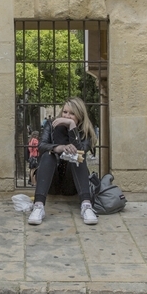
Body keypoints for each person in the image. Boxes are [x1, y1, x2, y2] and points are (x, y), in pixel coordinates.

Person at [27, 97, 100, 226]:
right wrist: (58, 148)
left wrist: (72, 127)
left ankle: (86, 206)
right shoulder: (51, 124)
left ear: (80, 115)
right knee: (48, 155)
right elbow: (41, 146)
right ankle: (38, 206)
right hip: (51, 181)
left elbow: (81, 150)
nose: (66, 116)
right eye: (65, 112)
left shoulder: (86, 131)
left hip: (72, 183)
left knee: (76, 156)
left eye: (72, 114)